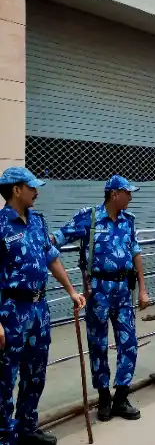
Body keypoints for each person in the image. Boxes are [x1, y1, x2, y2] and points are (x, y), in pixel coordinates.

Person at [0, 167, 86, 445]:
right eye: (32, 187)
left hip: (39, 308)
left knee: (35, 372)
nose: (37, 191)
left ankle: (27, 428)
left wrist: (71, 291)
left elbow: (52, 258)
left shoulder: (38, 221)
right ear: (16, 190)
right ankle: (5, 436)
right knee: (5, 377)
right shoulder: (1, 225)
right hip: (11, 310)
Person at [52, 175, 146, 422]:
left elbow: (135, 252)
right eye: (128, 192)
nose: (131, 197)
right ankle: (104, 397)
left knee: (129, 343)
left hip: (123, 289)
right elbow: (59, 237)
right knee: (98, 344)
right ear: (115, 194)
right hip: (98, 289)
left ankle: (121, 396)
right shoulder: (90, 217)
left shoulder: (129, 221)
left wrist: (143, 288)